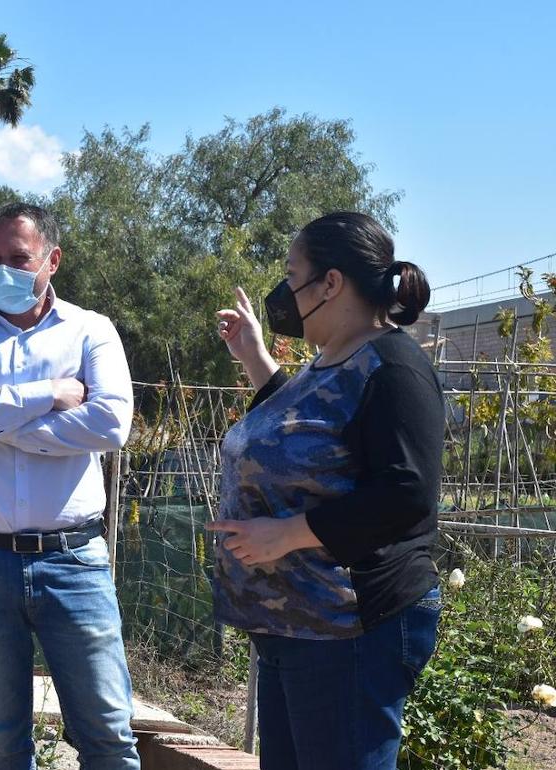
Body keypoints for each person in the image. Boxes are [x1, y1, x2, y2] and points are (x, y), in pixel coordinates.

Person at [206, 211, 443, 770]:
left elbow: (406, 492)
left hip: (349, 628)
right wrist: (255, 359)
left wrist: (285, 535)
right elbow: (304, 430)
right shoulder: (328, 362)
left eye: (293, 274)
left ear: (330, 283)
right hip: (296, 625)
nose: (284, 290)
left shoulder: (393, 367)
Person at [0, 202, 142, 770]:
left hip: (74, 562)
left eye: (18, 259)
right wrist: (47, 394)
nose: (3, 271)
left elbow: (111, 423)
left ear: (52, 260)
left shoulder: (93, 331)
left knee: (109, 739)